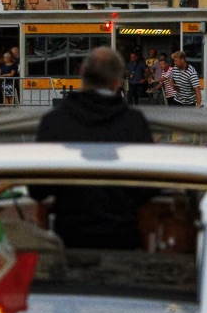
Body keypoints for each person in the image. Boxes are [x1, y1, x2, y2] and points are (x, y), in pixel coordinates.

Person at [38, 47, 153, 251]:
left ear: (81, 72)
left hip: (69, 240)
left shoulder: (54, 121)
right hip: (123, 239)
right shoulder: (135, 123)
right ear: (118, 81)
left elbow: (38, 190)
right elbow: (149, 187)